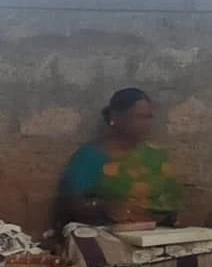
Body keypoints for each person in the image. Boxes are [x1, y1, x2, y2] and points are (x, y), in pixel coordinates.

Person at [58, 88, 182, 226]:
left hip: (154, 234)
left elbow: (172, 203)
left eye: (149, 117)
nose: (146, 123)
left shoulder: (156, 156)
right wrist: (103, 208)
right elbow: (69, 204)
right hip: (105, 232)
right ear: (116, 118)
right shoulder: (90, 157)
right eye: (139, 117)